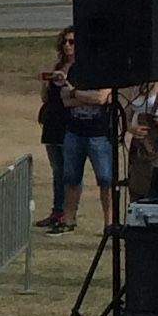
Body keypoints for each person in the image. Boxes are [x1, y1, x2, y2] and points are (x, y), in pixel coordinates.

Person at [47, 38, 122, 236]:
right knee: (71, 177)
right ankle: (69, 219)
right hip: (75, 131)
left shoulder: (105, 72)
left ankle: (109, 223)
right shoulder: (74, 71)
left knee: (106, 179)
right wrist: (83, 96)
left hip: (99, 134)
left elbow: (101, 98)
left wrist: (76, 94)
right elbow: (65, 100)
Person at [37, 29, 82, 231]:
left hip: (70, 123)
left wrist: (66, 81)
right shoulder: (59, 66)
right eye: (65, 42)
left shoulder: (81, 68)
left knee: (69, 172)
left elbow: (81, 96)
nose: (67, 46)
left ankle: (68, 213)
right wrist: (47, 83)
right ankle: (56, 211)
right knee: (57, 171)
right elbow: (46, 98)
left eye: (72, 42)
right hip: (52, 122)